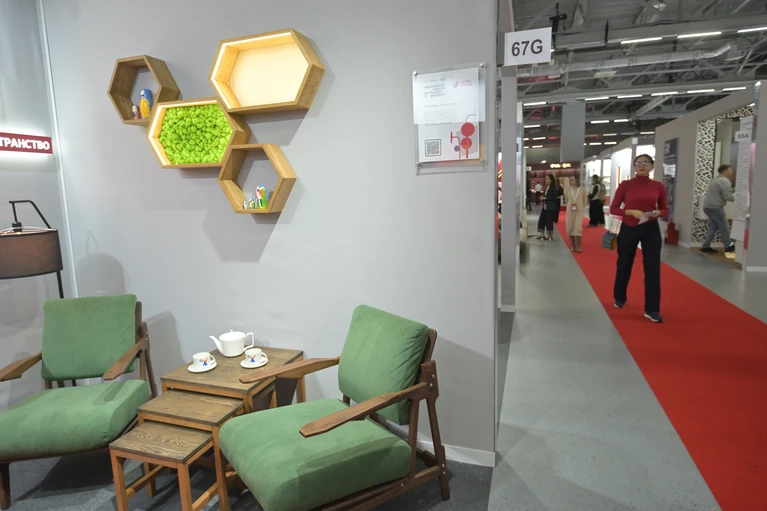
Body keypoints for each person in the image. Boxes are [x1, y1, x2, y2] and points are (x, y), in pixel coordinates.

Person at [610, 154, 668, 323]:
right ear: (634, 166)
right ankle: (619, 297)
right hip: (629, 227)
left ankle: (652, 309)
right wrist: (630, 212)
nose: (642, 166)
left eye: (645, 163)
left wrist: (658, 213)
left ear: (652, 165)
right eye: (638, 163)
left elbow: (665, 209)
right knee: (624, 264)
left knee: (652, 268)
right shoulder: (625, 185)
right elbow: (614, 208)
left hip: (650, 228)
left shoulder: (658, 186)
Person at [701, 164, 735, 254]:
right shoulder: (725, 181)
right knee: (724, 227)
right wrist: (740, 199)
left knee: (713, 227)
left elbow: (722, 192)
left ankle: (705, 246)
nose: (731, 172)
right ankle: (728, 246)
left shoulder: (716, 179)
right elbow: (727, 196)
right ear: (725, 171)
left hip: (707, 206)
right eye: (730, 170)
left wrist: (734, 190)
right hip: (716, 207)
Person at [566, 175, 588, 252]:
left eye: (573, 179)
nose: (572, 181)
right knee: (570, 228)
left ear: (577, 180)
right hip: (570, 212)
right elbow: (567, 200)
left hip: (579, 212)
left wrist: (581, 207)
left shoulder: (582, 190)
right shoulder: (568, 190)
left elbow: (585, 201)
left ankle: (578, 246)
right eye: (571, 180)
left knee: (578, 228)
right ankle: (573, 246)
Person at [536, 174, 560, 241]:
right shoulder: (546, 187)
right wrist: (542, 197)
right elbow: (545, 195)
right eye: (546, 178)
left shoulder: (553, 187)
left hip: (551, 207)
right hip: (545, 206)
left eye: (548, 178)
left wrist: (546, 198)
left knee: (549, 220)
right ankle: (542, 233)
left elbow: (554, 197)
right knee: (542, 219)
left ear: (551, 180)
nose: (546, 180)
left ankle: (550, 235)